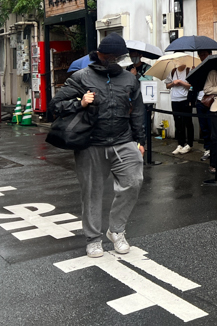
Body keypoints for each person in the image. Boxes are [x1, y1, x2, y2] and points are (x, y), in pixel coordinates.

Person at [49, 33, 146, 258]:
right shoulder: (82, 76)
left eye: (118, 57)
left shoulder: (129, 79)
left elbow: (139, 111)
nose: (113, 61)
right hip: (91, 143)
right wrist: (79, 103)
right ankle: (93, 239)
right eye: (109, 56)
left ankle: (116, 230)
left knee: (134, 182)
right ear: (100, 55)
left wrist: (140, 140)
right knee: (92, 192)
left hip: (123, 140)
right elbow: (55, 105)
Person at [166, 63, 193, 155]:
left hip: (185, 99)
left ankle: (189, 143)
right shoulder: (173, 71)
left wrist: (181, 82)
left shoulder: (188, 70)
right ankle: (180, 143)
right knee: (177, 122)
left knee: (187, 122)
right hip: (174, 99)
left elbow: (192, 86)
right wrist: (173, 83)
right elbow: (167, 85)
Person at [193, 49, 213, 160]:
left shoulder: (214, 69)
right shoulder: (198, 68)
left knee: (211, 127)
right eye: (200, 55)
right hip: (200, 100)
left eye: (204, 54)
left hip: (211, 101)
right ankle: (207, 149)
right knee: (204, 127)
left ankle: (213, 149)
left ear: (210, 54)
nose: (202, 57)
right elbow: (195, 86)